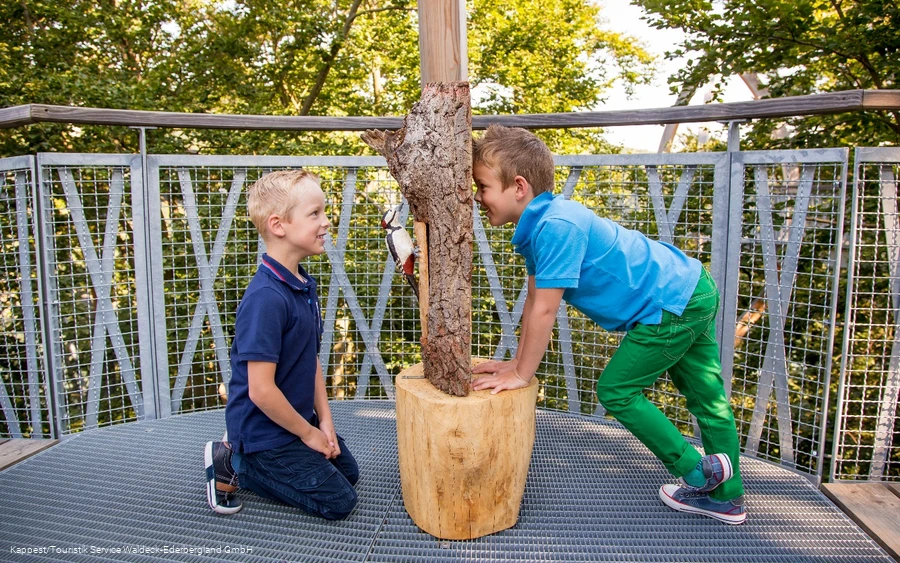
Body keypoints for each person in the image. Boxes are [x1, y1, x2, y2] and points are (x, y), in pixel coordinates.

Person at [470, 125, 746, 525]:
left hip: (669, 303)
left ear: (518, 186)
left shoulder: (557, 227)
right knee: (707, 398)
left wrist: (522, 373)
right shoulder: (539, 227)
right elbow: (534, 301)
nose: (478, 198)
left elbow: (547, 310)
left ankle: (698, 472)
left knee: (616, 390)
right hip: (688, 287)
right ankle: (728, 497)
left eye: (482, 187)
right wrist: (515, 365)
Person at [204, 169, 359, 519]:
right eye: (315, 213)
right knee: (339, 502)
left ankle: (269, 456)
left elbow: (311, 360)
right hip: (264, 434)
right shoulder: (266, 299)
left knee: (348, 475)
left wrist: (325, 424)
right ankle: (235, 461)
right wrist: (307, 434)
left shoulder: (303, 285)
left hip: (295, 420)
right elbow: (260, 391)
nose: (326, 222)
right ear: (278, 225)